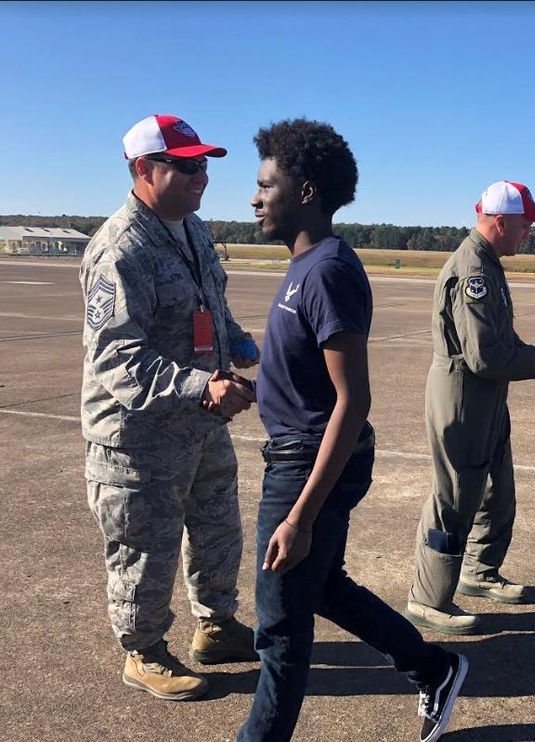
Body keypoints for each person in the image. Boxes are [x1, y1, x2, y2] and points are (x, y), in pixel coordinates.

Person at [238, 119, 467, 742]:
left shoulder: (328, 270)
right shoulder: (303, 263)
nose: (254, 198)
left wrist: (300, 516)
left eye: (266, 186)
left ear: (306, 191)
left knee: (280, 629)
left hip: (308, 467)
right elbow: (309, 383)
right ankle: (434, 666)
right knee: (324, 588)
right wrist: (253, 391)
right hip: (302, 451)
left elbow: (351, 399)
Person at [80, 114, 260, 701]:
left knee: (216, 528)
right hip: (139, 434)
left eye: (203, 165)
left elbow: (214, 302)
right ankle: (144, 652)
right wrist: (198, 387)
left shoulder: (193, 229)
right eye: (185, 166)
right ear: (143, 169)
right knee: (144, 543)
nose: (200, 176)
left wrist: (246, 347)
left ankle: (216, 626)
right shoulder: (119, 249)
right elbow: (116, 357)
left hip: (201, 426)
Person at [406, 181, 535, 635]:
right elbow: (483, 356)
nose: (529, 233)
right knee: (454, 496)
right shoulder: (473, 271)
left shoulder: (489, 264)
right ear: (500, 222)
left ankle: (478, 572)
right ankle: (428, 597)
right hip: (463, 396)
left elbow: (502, 339)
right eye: (525, 225)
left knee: (497, 488)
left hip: (487, 396)